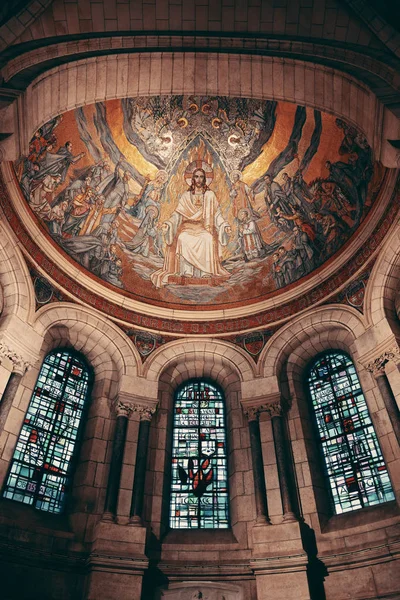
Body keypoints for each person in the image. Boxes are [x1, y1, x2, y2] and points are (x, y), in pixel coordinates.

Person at [150, 167, 231, 287]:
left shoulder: (210, 195)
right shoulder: (186, 196)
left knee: (207, 238)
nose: (199, 179)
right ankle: (187, 271)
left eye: (201, 177)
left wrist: (224, 226)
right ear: (193, 179)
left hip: (203, 228)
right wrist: (168, 223)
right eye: (196, 176)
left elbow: (217, 214)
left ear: (205, 179)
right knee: (183, 238)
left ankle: (205, 271)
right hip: (187, 228)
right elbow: (177, 215)